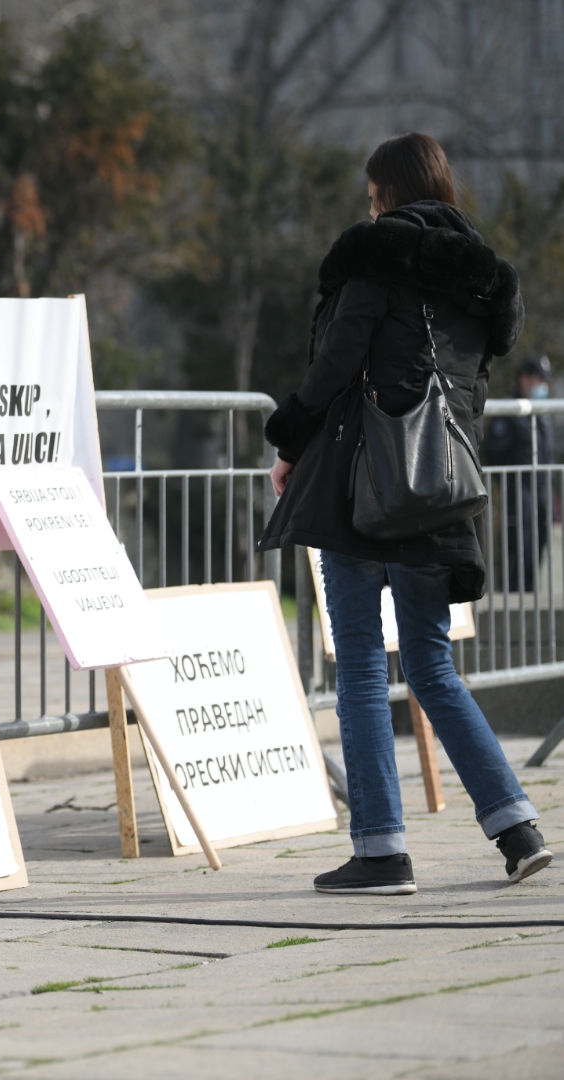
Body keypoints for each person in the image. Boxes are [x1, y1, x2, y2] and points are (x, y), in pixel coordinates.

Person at [258, 133, 550, 893]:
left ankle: (382, 849)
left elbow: (334, 366)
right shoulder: (483, 283)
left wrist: (287, 438)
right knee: (431, 666)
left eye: (371, 191)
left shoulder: (378, 258)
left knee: (357, 666)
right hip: (443, 497)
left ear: (386, 191)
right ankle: (516, 828)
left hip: (364, 490)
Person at [483, 356, 554, 591]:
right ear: (524, 378)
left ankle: (530, 592)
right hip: (518, 490)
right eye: (537, 379)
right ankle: (514, 597)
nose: (541, 384)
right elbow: (494, 452)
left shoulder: (542, 411)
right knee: (518, 545)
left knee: (540, 541)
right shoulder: (509, 409)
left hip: (542, 489)